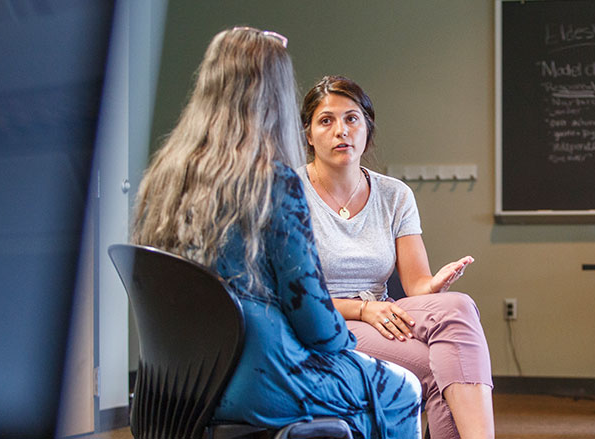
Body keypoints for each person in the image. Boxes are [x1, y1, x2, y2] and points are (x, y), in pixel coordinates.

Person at [130, 28, 421, 439]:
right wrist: (352, 340)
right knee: (400, 386)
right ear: (275, 98)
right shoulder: (273, 182)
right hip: (260, 381)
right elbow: (315, 323)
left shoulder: (163, 177)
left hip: (176, 387)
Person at [296, 75, 494, 439]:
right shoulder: (289, 193)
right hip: (326, 319)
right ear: (308, 134)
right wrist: (362, 310)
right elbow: (292, 297)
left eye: (352, 118)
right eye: (327, 120)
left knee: (460, 306)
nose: (342, 130)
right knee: (435, 369)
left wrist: (433, 285)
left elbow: (415, 285)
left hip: (384, 311)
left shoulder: (394, 194)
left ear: (367, 129)